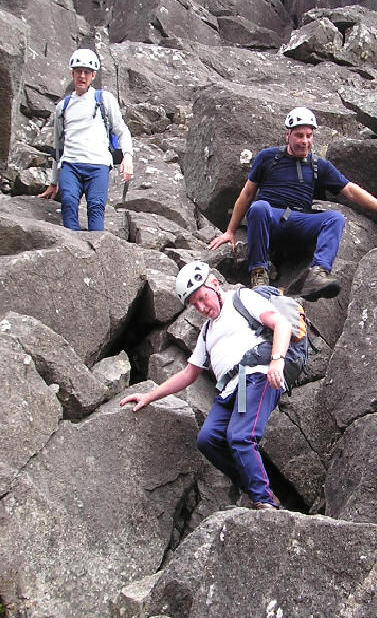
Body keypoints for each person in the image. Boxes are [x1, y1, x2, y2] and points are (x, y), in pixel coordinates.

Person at [120, 261, 290, 510]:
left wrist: (277, 361)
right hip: (232, 389)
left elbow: (281, 324)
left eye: (201, 298)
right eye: (194, 304)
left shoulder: (241, 298)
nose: (201, 307)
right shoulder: (207, 332)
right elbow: (189, 373)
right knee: (208, 439)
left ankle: (264, 501)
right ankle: (260, 490)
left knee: (240, 436)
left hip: (254, 376)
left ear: (213, 283)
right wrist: (149, 396)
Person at [208, 107, 377, 299]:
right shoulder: (267, 158)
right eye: (299, 135)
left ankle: (317, 274)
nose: (305, 141)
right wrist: (230, 231)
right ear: (288, 135)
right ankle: (259, 274)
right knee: (259, 207)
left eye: (309, 136)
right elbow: (247, 193)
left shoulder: (318, 165)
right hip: (270, 219)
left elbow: (350, 191)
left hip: (298, 222)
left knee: (335, 218)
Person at [38, 48, 134, 231]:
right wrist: (53, 182)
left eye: (87, 72)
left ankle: (96, 253)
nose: (82, 76)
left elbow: (122, 130)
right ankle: (73, 252)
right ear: (72, 73)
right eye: (78, 71)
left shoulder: (105, 100)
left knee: (96, 207)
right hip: (71, 164)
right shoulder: (62, 107)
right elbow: (58, 148)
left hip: (98, 165)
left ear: (93, 75)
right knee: (68, 202)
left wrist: (127, 157)